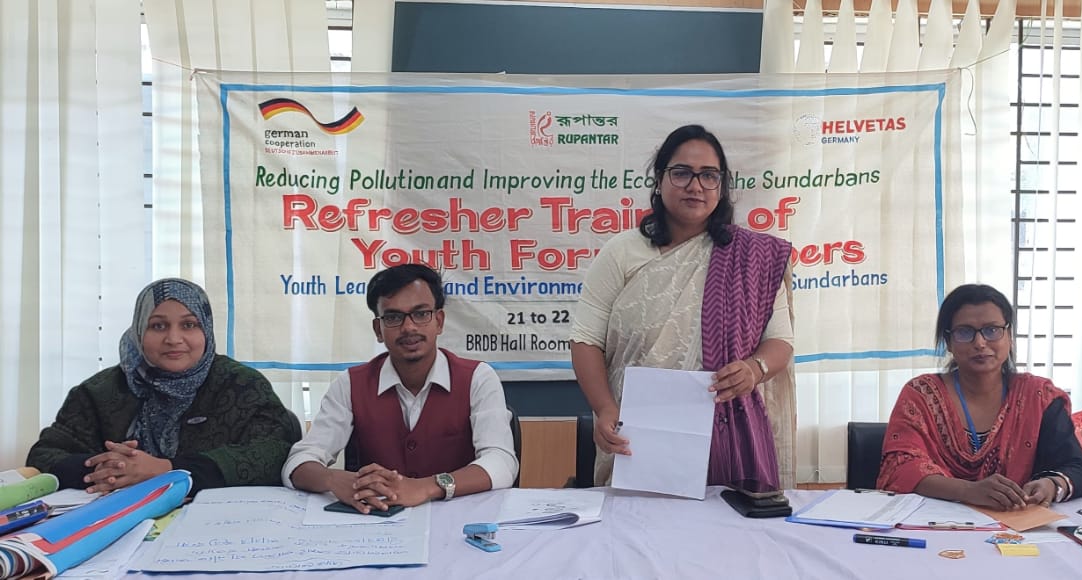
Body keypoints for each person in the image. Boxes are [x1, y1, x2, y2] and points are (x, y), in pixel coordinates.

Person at [569, 124, 795, 488]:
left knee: (726, 523)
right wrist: (606, 408)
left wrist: (755, 369)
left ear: (722, 186)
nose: (695, 186)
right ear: (659, 181)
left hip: (728, 435)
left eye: (709, 175)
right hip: (636, 433)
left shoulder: (752, 259)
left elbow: (780, 341)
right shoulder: (622, 252)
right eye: (682, 173)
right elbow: (586, 339)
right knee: (637, 521)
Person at [26, 278, 301, 495]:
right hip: (117, 522)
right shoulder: (100, 391)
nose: (173, 338)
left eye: (189, 325)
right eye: (158, 326)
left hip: (218, 524)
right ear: (139, 331)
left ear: (206, 330)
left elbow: (274, 454)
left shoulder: (241, 385)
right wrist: (115, 469)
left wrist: (166, 469)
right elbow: (44, 455)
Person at [284, 264, 517, 513]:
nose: (409, 328)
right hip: (378, 522)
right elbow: (299, 462)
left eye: (421, 314)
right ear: (378, 330)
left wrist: (427, 487)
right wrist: (334, 480)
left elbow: (502, 462)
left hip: (460, 519)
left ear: (439, 322)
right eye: (393, 317)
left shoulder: (477, 378)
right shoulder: (350, 383)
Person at [877, 284, 1082, 508]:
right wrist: (967, 491)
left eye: (992, 330)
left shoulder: (1038, 397)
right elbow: (899, 468)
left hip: (1018, 521)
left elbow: (1079, 469)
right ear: (949, 342)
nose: (980, 343)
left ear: (1009, 336)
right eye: (965, 332)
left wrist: (1051, 484)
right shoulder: (921, 395)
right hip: (933, 521)